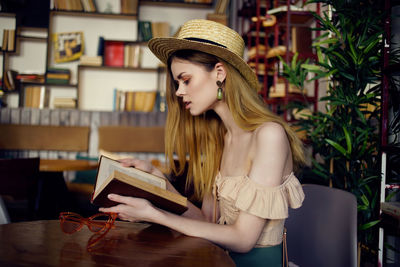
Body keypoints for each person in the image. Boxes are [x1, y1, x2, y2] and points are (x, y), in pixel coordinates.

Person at [100, 19, 305, 267]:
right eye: (177, 83)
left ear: (219, 73)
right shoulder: (221, 139)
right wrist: (159, 181)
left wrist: (156, 215)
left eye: (186, 80)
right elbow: (207, 222)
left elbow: (243, 239)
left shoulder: (269, 136)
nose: (178, 91)